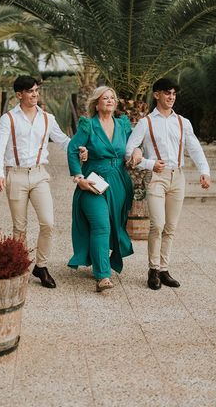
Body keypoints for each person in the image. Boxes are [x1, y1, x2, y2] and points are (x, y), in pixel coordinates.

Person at [0, 75, 86, 289]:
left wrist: (78, 148)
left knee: (48, 223)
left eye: (36, 91)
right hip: (15, 174)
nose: (35, 94)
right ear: (19, 95)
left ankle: (41, 266)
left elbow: (62, 140)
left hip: (39, 175)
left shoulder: (47, 118)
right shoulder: (9, 119)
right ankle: (20, 265)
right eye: (30, 91)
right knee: (19, 227)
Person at [125, 78, 211, 290]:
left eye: (173, 93)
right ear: (156, 95)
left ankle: (164, 270)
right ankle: (153, 269)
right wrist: (149, 163)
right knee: (158, 225)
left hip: (177, 177)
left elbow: (195, 148)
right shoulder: (146, 122)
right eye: (167, 93)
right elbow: (129, 151)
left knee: (170, 227)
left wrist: (205, 171)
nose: (171, 97)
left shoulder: (183, 122)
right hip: (156, 178)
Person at [67, 86, 142, 292]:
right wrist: (78, 177)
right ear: (97, 103)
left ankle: (101, 260)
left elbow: (134, 144)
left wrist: (136, 152)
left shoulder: (123, 124)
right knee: (101, 225)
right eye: (105, 98)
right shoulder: (88, 125)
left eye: (112, 98)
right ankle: (103, 276)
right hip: (93, 181)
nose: (110, 100)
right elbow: (73, 149)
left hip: (119, 182)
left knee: (115, 225)